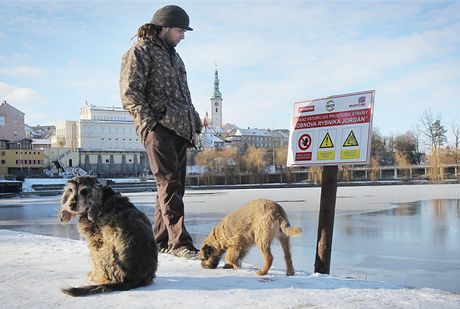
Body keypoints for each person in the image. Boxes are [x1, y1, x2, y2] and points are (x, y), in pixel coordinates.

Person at [119, 5, 202, 259]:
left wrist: (195, 122)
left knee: (171, 188)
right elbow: (130, 93)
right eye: (180, 30)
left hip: (180, 131)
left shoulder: (175, 57)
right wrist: (150, 125)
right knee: (169, 184)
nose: (183, 36)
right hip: (158, 130)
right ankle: (181, 244)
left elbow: (184, 97)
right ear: (164, 27)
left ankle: (161, 240)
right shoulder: (140, 52)